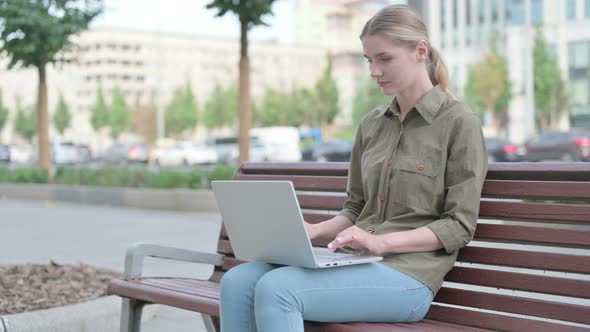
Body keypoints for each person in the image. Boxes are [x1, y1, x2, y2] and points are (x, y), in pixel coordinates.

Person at [219, 4, 488, 332]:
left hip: (409, 276)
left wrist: (382, 243)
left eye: (384, 58)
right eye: (369, 61)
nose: (375, 71)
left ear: (420, 51)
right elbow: (357, 207)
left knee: (279, 291)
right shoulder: (372, 125)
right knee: (237, 282)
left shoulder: (459, 123)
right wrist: (315, 231)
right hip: (355, 262)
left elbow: (459, 225)